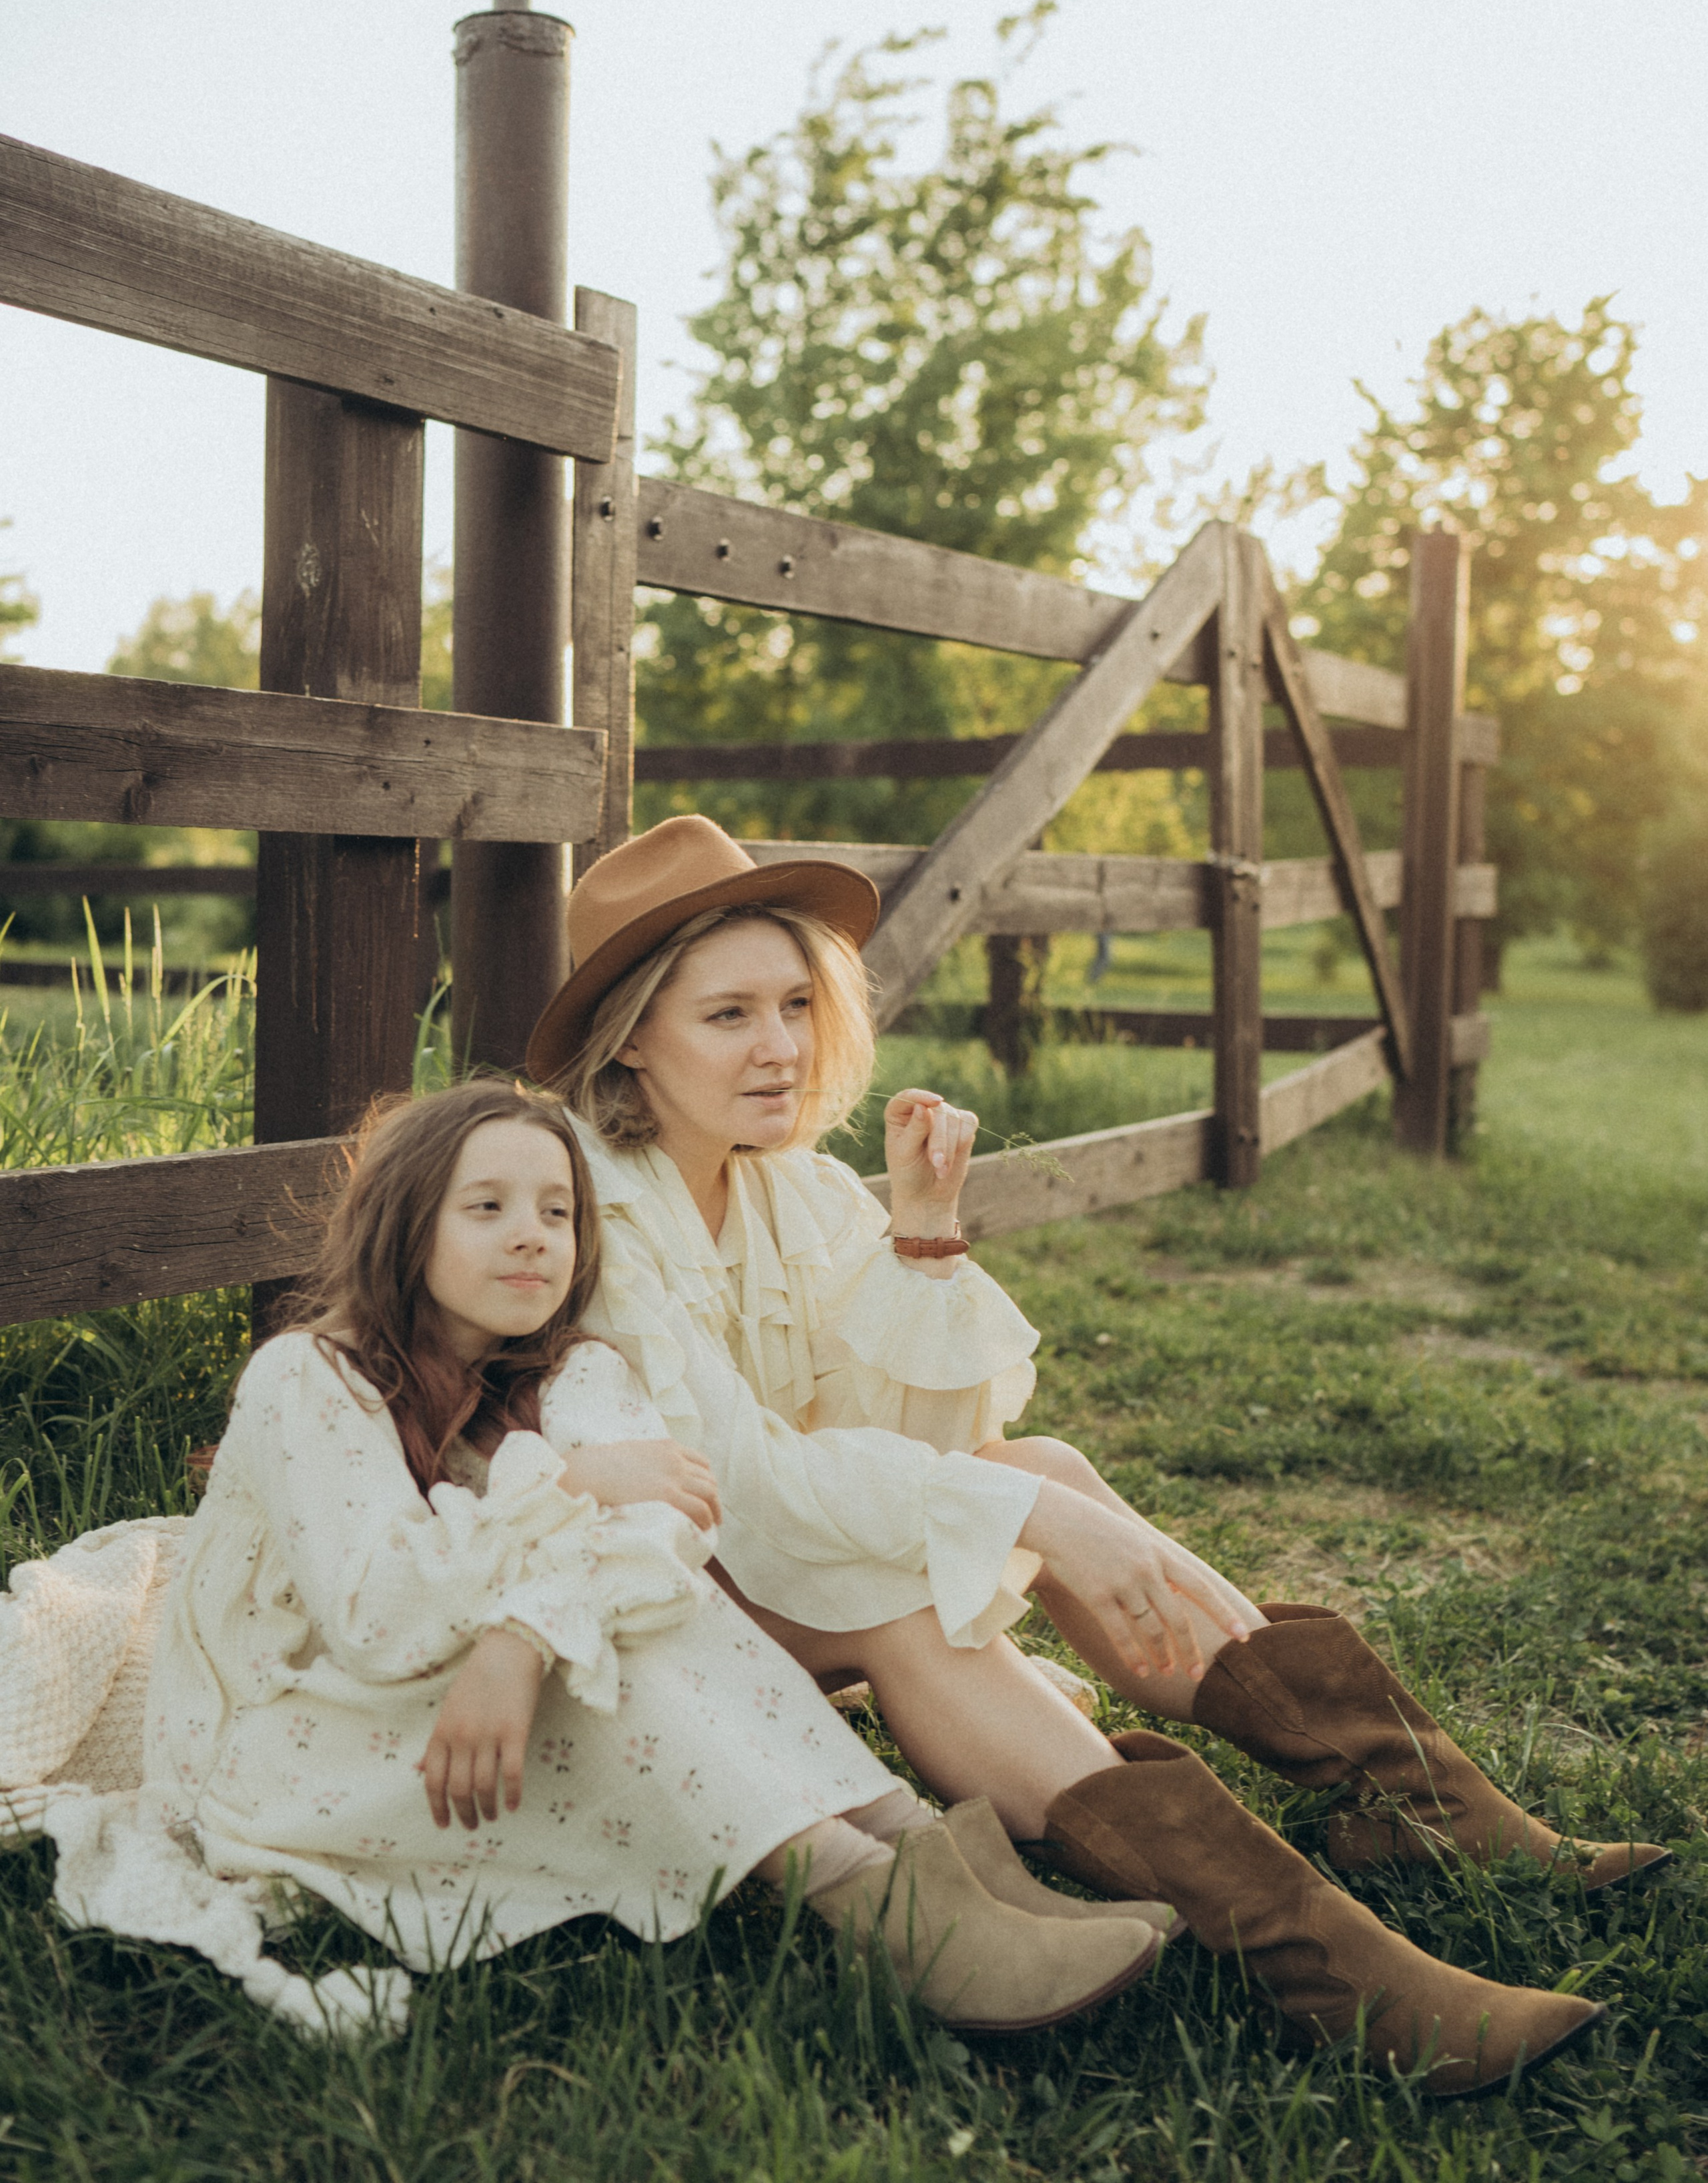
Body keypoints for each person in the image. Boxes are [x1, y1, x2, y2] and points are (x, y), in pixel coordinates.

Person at [518, 815, 1658, 2096]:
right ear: (631, 1039)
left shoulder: (797, 1191)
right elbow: (754, 1497)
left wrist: (927, 1236)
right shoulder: (590, 1214)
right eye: (728, 1017)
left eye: (794, 1002)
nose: (781, 1046)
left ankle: (1405, 1794)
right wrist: (1038, 1521)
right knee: (924, 1593)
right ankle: (1332, 1968)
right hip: (658, 1608)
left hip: (768, 1569)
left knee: (1041, 1461)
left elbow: (916, 1447)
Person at [135, 1079, 1169, 2034]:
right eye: (485, 1208)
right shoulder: (310, 1379)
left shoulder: (574, 1367)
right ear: (406, 1228)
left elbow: (670, 1530)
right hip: (303, 1730)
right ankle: (870, 1900)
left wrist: (521, 1632)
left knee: (657, 1608)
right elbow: (376, 1612)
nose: (532, 1238)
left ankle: (929, 1866)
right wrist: (573, 1494)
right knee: (623, 1656)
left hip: (465, 1688)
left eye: (556, 1211)